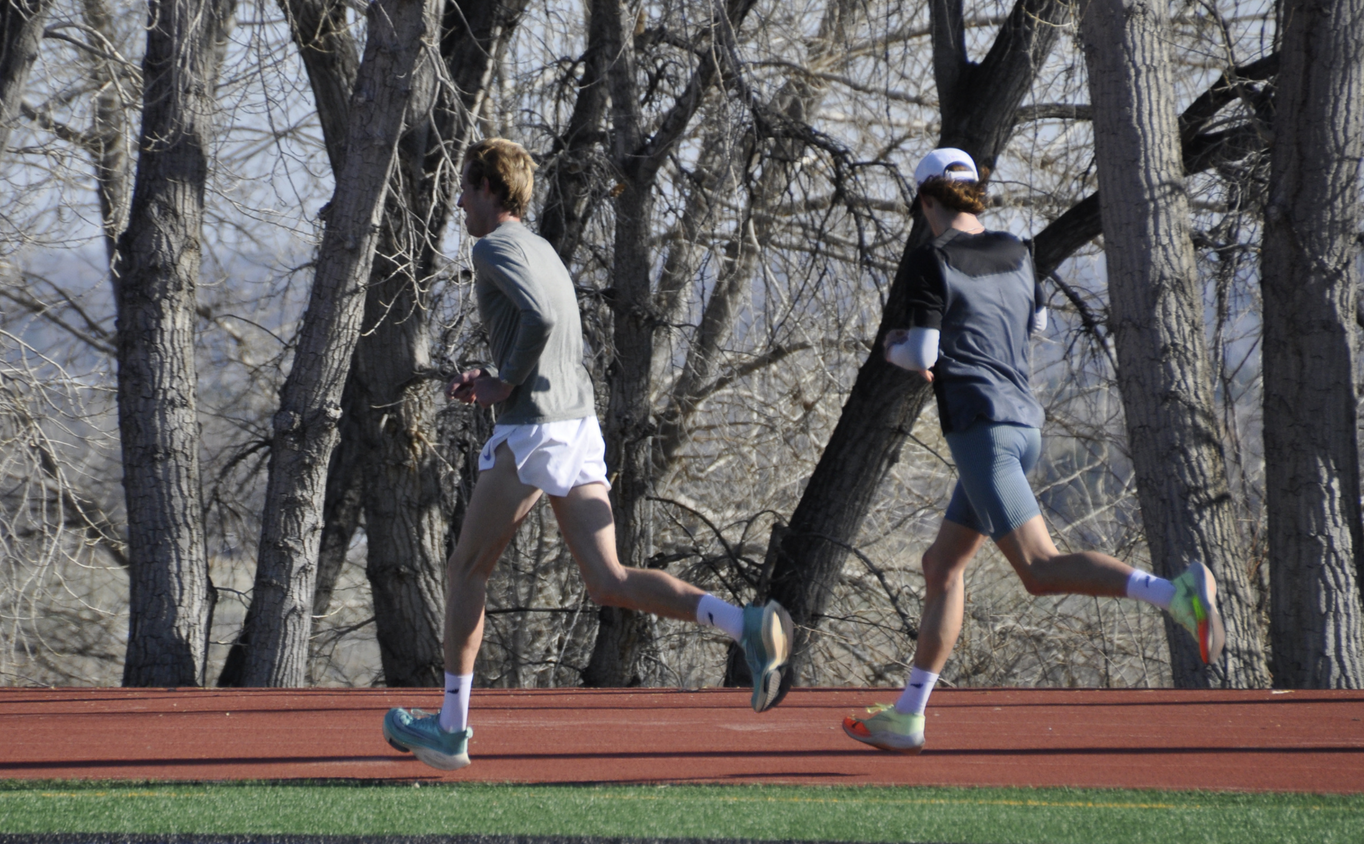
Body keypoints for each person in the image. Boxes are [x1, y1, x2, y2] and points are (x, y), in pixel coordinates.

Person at [383, 138, 793, 771]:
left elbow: (542, 318)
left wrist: (503, 384)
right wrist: (498, 375)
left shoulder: (493, 247)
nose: (459, 202)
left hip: (536, 428)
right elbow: (542, 324)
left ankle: (450, 730)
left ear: (490, 189)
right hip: (577, 425)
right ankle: (746, 624)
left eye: (466, 188)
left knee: (466, 570)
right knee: (608, 581)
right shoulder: (541, 248)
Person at [842, 148, 1225, 755]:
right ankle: (909, 715)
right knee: (942, 566)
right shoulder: (1020, 252)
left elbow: (920, 356)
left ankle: (1174, 592)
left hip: (981, 429)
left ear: (924, 201)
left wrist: (892, 346)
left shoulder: (930, 258)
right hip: (1022, 424)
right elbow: (1036, 328)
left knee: (1039, 569)